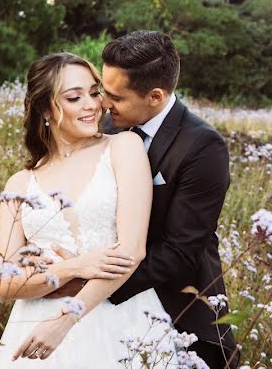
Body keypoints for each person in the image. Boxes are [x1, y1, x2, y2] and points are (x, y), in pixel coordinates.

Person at [51, 31, 239, 367]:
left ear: (155, 96)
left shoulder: (203, 147)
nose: (103, 104)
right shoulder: (104, 126)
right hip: (90, 295)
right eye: (102, 92)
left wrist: (93, 284)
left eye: (116, 97)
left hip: (173, 307)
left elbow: (181, 250)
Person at [0, 52, 167, 366]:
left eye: (94, 92)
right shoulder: (19, 184)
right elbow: (3, 286)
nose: (92, 104)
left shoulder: (124, 147)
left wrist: (65, 319)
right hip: (32, 328)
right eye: (75, 97)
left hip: (117, 318)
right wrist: (72, 268)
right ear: (45, 108)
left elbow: (132, 250)